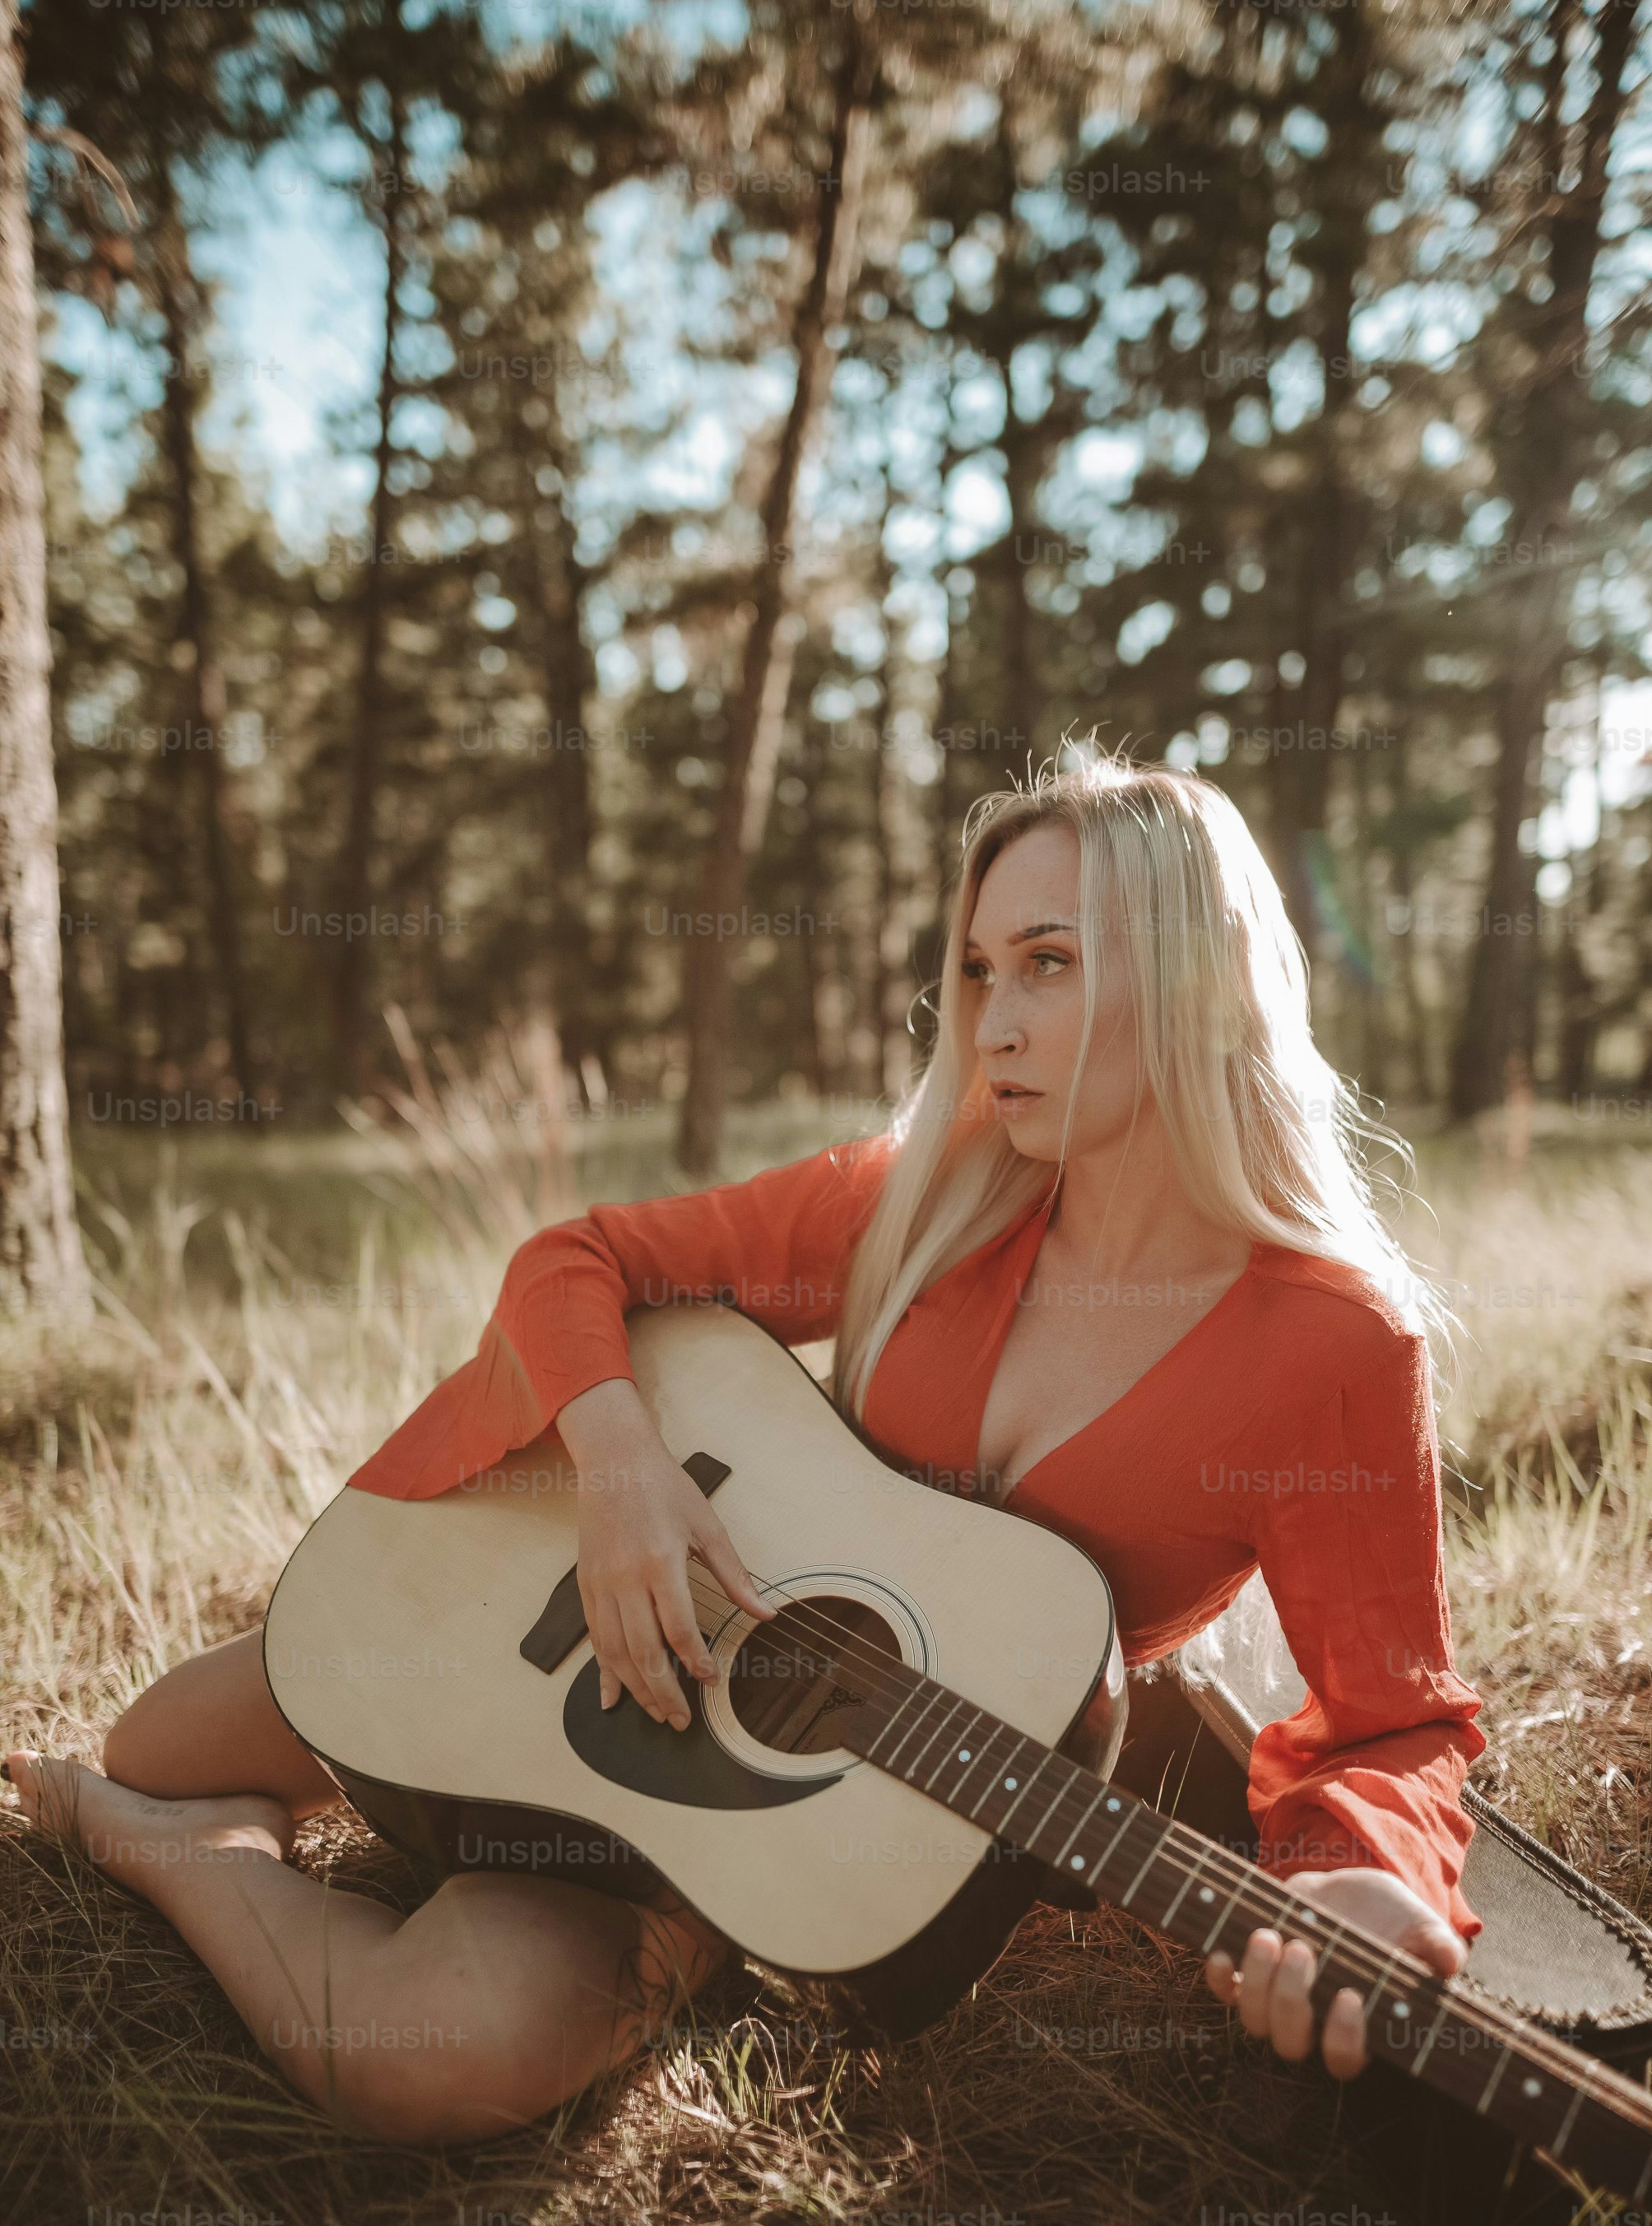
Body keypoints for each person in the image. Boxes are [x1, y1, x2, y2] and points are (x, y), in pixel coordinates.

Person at [4, 751, 1484, 2145]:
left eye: (1050, 963)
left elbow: (1391, 1718)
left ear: (1198, 980)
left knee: (435, 2049)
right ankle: (311, 1788)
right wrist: (622, 1474)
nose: (994, 1025)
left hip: (779, 1817)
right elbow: (577, 1258)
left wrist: (1363, 1874)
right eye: (978, 971)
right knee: (162, 1739)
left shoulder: (1339, 1349)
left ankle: (173, 1853)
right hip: (586, 1618)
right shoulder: (926, 1203)